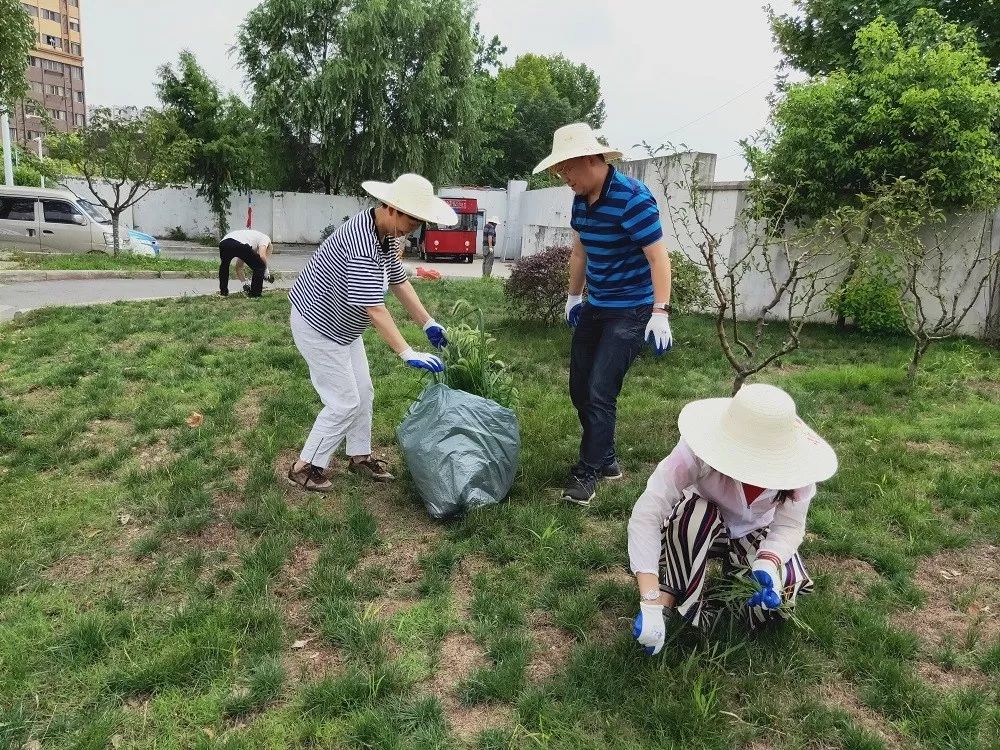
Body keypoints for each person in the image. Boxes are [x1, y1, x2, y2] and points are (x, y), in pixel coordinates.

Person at [627, 383, 838, 655]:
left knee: (775, 602)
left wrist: (769, 561)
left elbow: (789, 526)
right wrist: (649, 598)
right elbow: (648, 511)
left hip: (755, 532)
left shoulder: (799, 473)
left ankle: (738, 583)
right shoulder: (696, 450)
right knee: (695, 516)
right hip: (701, 526)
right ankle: (669, 596)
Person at [532, 123, 675, 507]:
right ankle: (607, 458)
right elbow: (580, 252)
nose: (565, 179)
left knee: (600, 390)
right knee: (579, 387)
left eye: (569, 169)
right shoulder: (581, 200)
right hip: (598, 304)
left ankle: (588, 473)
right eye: (560, 172)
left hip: (631, 308)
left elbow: (658, 257)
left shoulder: (633, 199)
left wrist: (659, 312)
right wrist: (572, 297)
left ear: (593, 159)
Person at [286, 173, 457, 492]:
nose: (414, 228)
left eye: (420, 221)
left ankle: (359, 456)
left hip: (343, 329)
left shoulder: (386, 234)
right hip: (318, 326)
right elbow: (375, 309)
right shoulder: (362, 242)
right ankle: (305, 466)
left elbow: (398, 280)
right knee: (343, 401)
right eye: (412, 219)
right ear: (391, 207)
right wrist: (406, 351)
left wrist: (428, 322)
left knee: (363, 392)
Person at [218, 228, 273, 298]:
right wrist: (266, 271)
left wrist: (244, 283)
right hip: (239, 245)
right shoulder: (266, 238)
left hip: (224, 243)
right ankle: (255, 295)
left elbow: (239, 267)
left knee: (224, 266)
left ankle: (223, 292)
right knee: (259, 266)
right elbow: (262, 256)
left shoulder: (248, 240)